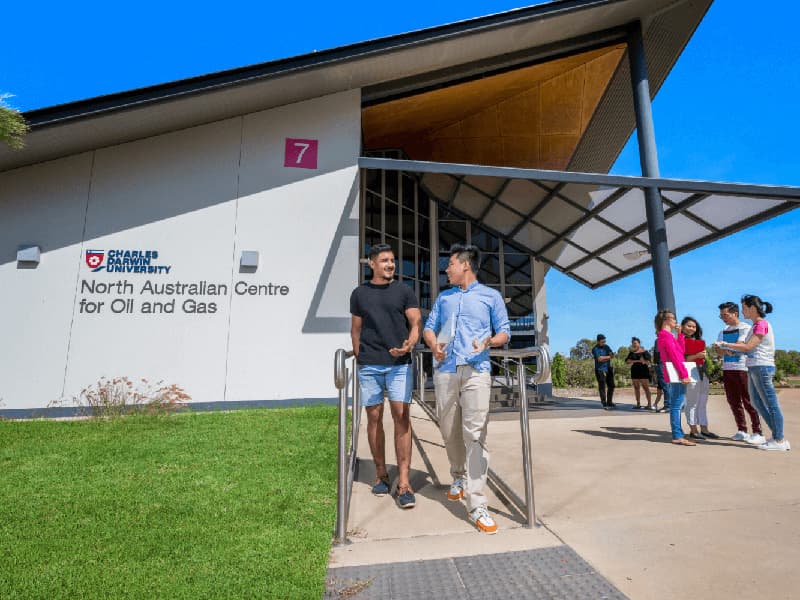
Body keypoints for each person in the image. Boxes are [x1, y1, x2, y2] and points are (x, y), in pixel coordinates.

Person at [423, 244, 511, 534]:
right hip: (446, 371)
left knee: (475, 435)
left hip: (477, 371)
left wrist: (488, 342)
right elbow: (429, 327)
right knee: (449, 431)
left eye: (450, 264)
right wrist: (433, 344)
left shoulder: (491, 297)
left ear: (465, 265)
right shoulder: (444, 297)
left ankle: (477, 504)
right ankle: (457, 476)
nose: (446, 269)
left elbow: (504, 331)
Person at [350, 243, 422, 508]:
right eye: (384, 260)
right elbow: (355, 330)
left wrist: (410, 343)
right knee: (373, 417)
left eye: (392, 260)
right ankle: (381, 474)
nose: (390, 265)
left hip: (399, 364)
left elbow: (415, 323)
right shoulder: (359, 294)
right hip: (370, 365)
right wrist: (361, 357)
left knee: (401, 416)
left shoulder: (403, 291)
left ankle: (404, 482)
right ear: (372, 264)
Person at [715, 295, 789, 451]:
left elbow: (748, 347)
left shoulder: (760, 324)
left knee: (771, 405)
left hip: (762, 367)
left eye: (744, 308)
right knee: (756, 403)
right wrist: (731, 351)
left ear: (752, 308)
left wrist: (724, 344)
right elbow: (747, 350)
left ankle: (779, 440)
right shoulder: (755, 325)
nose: (742, 311)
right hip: (754, 367)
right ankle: (776, 436)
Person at [715, 301, 764, 444]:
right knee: (733, 401)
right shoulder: (722, 331)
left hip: (743, 369)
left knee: (749, 401)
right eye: (721, 315)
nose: (723, 318)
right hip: (727, 369)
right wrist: (723, 349)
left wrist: (727, 348)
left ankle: (757, 432)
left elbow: (743, 346)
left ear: (735, 313)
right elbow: (719, 351)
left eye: (725, 315)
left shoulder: (746, 328)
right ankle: (742, 430)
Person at [655, 309, 695, 446]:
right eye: (673, 318)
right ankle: (677, 435)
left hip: (675, 372)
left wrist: (680, 335)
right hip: (676, 373)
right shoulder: (665, 336)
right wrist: (683, 374)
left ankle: (678, 434)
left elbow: (681, 351)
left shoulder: (668, 335)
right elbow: (674, 357)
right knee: (677, 405)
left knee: (677, 404)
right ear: (666, 320)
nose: (675, 321)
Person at [680, 317, 718, 440]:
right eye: (689, 326)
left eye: (694, 326)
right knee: (692, 402)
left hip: (703, 372)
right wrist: (697, 355)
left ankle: (704, 429)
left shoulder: (699, 341)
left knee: (702, 402)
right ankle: (693, 430)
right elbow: (681, 360)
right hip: (690, 372)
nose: (691, 328)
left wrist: (702, 355)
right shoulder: (679, 341)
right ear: (682, 326)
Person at [625, 337, 653, 409]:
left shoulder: (645, 352)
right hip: (634, 372)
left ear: (639, 344)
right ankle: (638, 404)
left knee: (646, 388)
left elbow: (648, 362)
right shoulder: (631, 353)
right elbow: (627, 361)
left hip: (643, 372)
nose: (634, 345)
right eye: (633, 343)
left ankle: (649, 404)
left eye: (635, 343)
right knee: (636, 388)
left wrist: (642, 361)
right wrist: (639, 361)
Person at [592, 334, 615, 409]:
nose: (604, 343)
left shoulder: (607, 347)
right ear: (598, 341)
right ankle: (604, 402)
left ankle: (609, 402)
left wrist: (609, 356)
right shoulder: (595, 349)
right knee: (602, 386)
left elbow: (612, 355)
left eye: (605, 341)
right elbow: (599, 359)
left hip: (608, 368)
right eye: (602, 341)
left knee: (611, 385)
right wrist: (609, 357)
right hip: (600, 370)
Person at [651, 337, 668, 412]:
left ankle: (668, 405)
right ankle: (656, 404)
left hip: (661, 363)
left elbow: (658, 352)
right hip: (663, 363)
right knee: (662, 386)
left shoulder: (660, 340)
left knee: (665, 385)